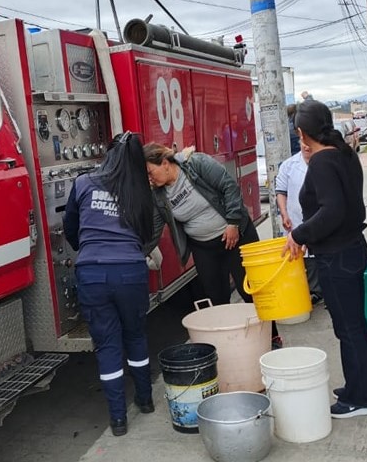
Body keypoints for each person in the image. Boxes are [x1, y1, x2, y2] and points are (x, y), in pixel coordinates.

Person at [284, 100, 367, 418]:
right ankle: (366, 385)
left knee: (349, 328)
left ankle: (363, 398)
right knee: (355, 325)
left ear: (301, 131)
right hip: (350, 248)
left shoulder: (322, 162)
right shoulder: (343, 153)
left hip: (337, 255)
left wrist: (298, 235)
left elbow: (332, 210)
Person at [143, 142, 282, 346]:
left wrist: (233, 222)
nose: (149, 178)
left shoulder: (195, 163)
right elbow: (154, 230)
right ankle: (229, 345)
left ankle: (272, 337)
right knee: (216, 298)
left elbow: (229, 186)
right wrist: (135, 253)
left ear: (164, 163)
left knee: (251, 290)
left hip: (237, 237)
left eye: (149, 171)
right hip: (203, 247)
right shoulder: (158, 195)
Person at [63, 132, 156, 437]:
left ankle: (118, 420)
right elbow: (145, 235)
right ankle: (145, 401)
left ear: (108, 154)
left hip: (92, 274)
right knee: (136, 336)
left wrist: (89, 249)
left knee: (107, 345)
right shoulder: (140, 191)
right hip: (130, 271)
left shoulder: (83, 183)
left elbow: (71, 229)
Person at [274, 142, 322, 305]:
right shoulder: (288, 165)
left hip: (321, 218)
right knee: (303, 256)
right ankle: (310, 291)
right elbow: (281, 191)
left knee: (321, 256)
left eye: (310, 144)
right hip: (296, 218)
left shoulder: (323, 163)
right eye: (303, 144)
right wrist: (284, 213)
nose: (307, 148)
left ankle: (323, 291)